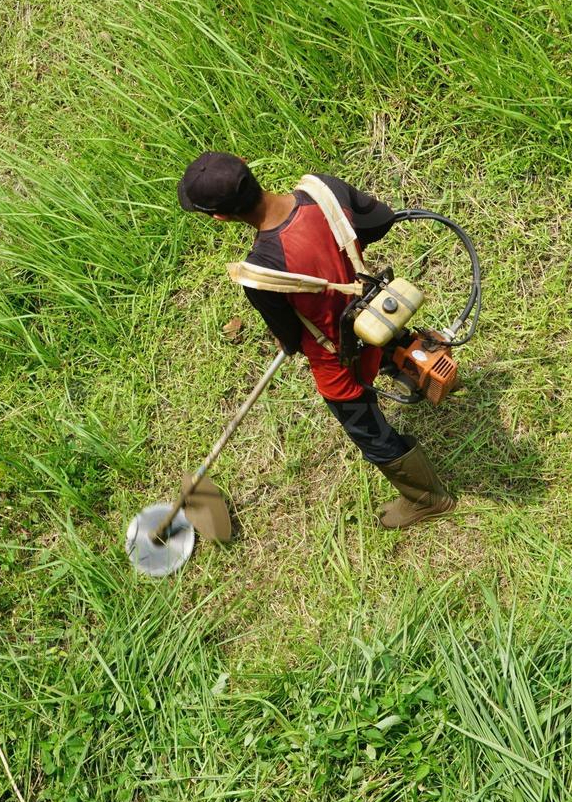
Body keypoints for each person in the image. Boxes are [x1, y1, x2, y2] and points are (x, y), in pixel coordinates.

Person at [177, 151, 455, 529]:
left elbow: (290, 340)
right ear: (247, 166)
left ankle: (428, 499)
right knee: (400, 350)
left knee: (368, 431)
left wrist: (285, 338)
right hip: (377, 313)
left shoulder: (260, 272)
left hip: (339, 360)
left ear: (220, 216)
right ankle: (432, 375)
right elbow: (380, 220)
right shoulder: (322, 190)